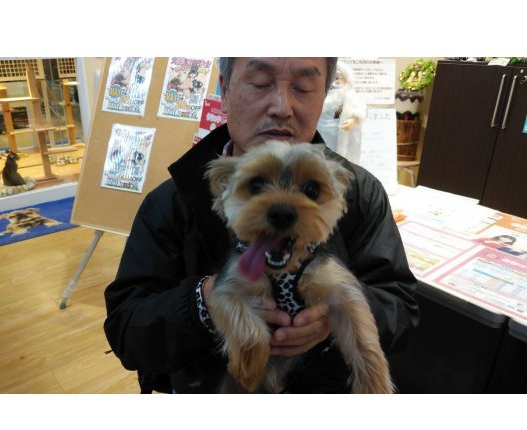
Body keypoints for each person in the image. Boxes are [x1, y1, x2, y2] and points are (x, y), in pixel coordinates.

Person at [104, 57, 418, 394]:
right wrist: (203, 303)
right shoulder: (169, 203)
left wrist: (335, 318)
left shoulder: (360, 192)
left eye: (303, 87)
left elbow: (400, 306)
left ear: (324, 96)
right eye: (260, 83)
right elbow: (127, 331)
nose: (282, 107)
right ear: (225, 91)